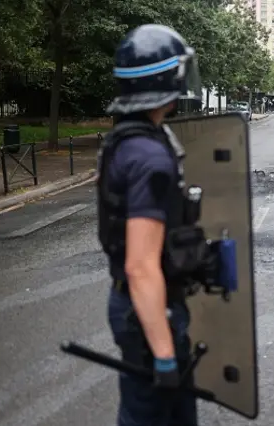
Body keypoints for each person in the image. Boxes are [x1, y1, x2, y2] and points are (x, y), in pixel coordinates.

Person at [97, 24, 203, 426]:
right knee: (146, 418)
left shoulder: (124, 140)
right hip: (148, 312)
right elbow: (141, 266)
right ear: (165, 79)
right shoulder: (150, 158)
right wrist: (163, 354)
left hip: (132, 306)